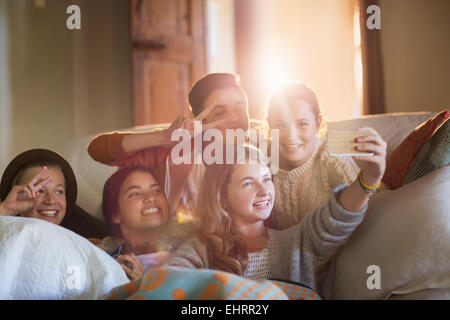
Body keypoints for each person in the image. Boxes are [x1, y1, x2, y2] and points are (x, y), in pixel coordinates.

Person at [167, 139, 386, 296]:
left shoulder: (297, 242)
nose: (264, 191)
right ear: (222, 197)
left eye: (266, 179)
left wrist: (370, 177)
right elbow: (168, 284)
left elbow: (338, 217)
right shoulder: (201, 250)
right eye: (249, 183)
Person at [87, 73, 250, 222]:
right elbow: (97, 150)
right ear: (202, 122)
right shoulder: (173, 151)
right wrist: (164, 137)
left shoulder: (259, 157)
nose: (235, 118)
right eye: (220, 113)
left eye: (240, 106)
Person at [266, 83, 387, 229]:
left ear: (317, 124)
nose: (291, 137)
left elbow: (377, 207)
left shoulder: (330, 160)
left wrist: (373, 174)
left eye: (302, 124)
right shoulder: (262, 159)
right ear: (269, 124)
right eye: (280, 125)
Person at [99, 165, 187, 281]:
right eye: (135, 194)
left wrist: (142, 286)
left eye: (156, 191)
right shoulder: (101, 259)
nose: (151, 198)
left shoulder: (192, 250)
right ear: (115, 214)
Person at [0, 149, 106, 238]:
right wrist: (7, 209)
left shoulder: (81, 230)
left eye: (59, 191)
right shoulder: (7, 236)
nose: (51, 200)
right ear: (18, 195)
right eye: (39, 190)